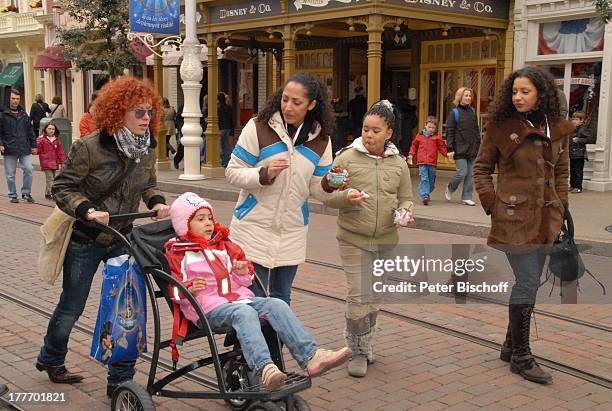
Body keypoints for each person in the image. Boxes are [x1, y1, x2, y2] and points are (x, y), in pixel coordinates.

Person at [35, 77, 171, 397]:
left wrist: (157, 202)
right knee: (72, 306)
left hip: (122, 239)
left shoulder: (146, 148)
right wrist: (87, 210)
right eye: (139, 112)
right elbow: (62, 188)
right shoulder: (89, 147)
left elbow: (148, 184)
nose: (146, 119)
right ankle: (51, 358)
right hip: (85, 239)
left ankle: (119, 380)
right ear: (118, 112)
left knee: (125, 310)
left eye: (150, 112)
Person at [165, 192, 351, 390]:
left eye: (210, 218)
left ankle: (311, 356)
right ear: (184, 225)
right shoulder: (179, 253)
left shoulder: (223, 245)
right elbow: (174, 291)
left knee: (277, 304)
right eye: (200, 219)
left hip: (238, 300)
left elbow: (245, 281)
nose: (209, 223)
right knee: (244, 313)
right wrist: (189, 289)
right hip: (208, 309)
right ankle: (264, 367)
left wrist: (242, 272)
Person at [473, 66, 573, 384]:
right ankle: (521, 356)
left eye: (524, 91)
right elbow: (481, 169)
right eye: (514, 91)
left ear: (541, 94)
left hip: (547, 219)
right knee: (528, 281)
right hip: (513, 220)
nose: (518, 97)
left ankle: (509, 345)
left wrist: (561, 210)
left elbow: (562, 173)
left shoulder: (557, 127)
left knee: (529, 282)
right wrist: (494, 205)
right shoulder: (500, 127)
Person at [226, 72, 343, 305]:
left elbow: (315, 189)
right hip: (252, 227)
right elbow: (232, 172)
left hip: (291, 230)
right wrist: (264, 173)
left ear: (311, 105)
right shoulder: (258, 126)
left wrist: (329, 183)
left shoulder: (322, 140)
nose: (288, 107)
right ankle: (247, 342)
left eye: (297, 102)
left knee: (281, 299)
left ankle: (274, 343)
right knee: (252, 297)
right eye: (285, 99)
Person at [324, 100, 414, 377]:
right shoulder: (345, 158)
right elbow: (329, 196)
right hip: (353, 238)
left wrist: (405, 212)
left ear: (389, 132)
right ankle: (357, 351)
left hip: (386, 239)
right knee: (358, 295)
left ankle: (367, 342)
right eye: (365, 129)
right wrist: (346, 197)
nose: (369, 135)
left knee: (374, 297)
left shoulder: (399, 164)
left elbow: (406, 198)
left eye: (376, 130)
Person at [445, 87, 480, 206]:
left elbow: (476, 130)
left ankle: (466, 197)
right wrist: (450, 149)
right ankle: (450, 187)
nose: (468, 98)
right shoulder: (454, 112)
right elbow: (450, 131)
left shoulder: (473, 111)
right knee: (462, 173)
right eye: (466, 95)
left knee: (470, 174)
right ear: (460, 97)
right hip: (459, 148)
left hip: (472, 148)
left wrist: (478, 145)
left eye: (470, 96)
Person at [0, 88, 37, 203]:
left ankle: (26, 193)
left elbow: (30, 130)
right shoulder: (2, 114)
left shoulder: (23, 113)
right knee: (10, 174)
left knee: (29, 169)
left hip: (24, 147)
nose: (15, 101)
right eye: (13, 98)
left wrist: (33, 145)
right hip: (9, 147)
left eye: (17, 99)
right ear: (9, 99)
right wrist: (0, 144)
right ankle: (12, 194)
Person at [408, 116, 448, 205]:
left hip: (432, 162)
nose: (431, 129)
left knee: (431, 180)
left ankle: (425, 191)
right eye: (429, 127)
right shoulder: (419, 136)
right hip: (422, 162)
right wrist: (411, 154)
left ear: (435, 128)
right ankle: (424, 195)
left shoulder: (437, 137)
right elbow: (414, 146)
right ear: (425, 125)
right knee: (424, 178)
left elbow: (442, 147)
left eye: (433, 128)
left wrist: (447, 154)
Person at [36, 122, 65, 200]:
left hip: (54, 162)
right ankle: (52, 194)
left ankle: (47, 193)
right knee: (50, 178)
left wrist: (62, 162)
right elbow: (38, 150)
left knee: (52, 178)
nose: (51, 130)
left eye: (53, 129)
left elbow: (60, 152)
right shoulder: (41, 139)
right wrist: (36, 146)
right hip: (46, 162)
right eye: (49, 128)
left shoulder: (56, 140)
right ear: (45, 129)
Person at [568, 111, 592, 193]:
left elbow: (588, 139)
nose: (574, 121)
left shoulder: (583, 129)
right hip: (572, 153)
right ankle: (572, 185)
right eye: (573, 119)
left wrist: (579, 140)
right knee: (572, 171)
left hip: (579, 154)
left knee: (578, 171)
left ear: (581, 120)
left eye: (576, 119)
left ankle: (578, 187)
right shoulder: (572, 129)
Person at [218, 92, 234, 167]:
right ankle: (229, 160)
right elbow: (231, 118)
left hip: (221, 128)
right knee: (227, 145)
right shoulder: (229, 107)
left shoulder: (218, 107)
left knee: (223, 145)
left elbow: (219, 119)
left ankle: (225, 161)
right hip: (228, 127)